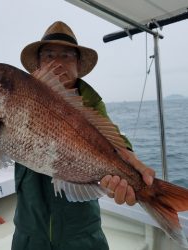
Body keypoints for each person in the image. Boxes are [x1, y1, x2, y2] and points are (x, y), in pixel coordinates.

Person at [12, 21, 155, 250]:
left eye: (66, 56)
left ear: (78, 65)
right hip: (28, 234)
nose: (57, 62)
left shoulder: (91, 104)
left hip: (83, 235)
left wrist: (128, 158)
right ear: (38, 64)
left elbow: (112, 137)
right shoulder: (19, 97)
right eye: (49, 55)